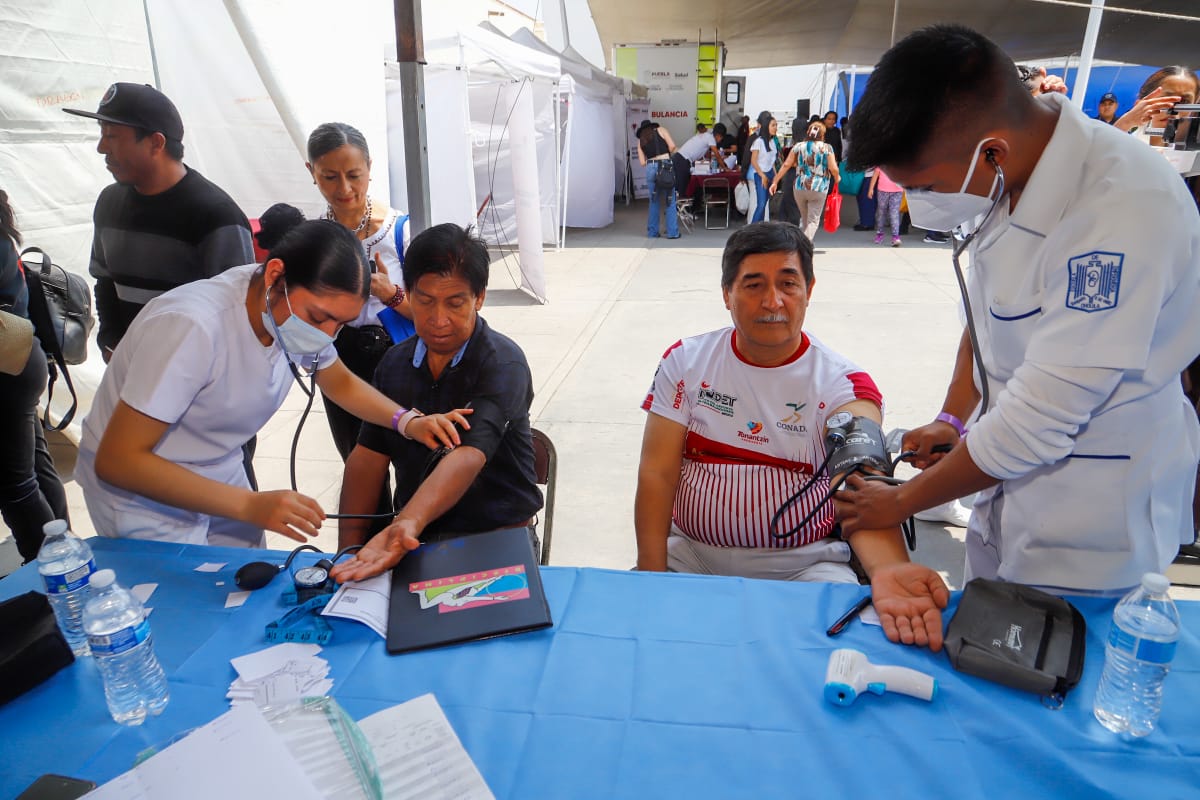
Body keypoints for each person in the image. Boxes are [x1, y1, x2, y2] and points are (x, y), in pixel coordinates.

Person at [838, 25, 1200, 596]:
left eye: (927, 184)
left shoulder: (1122, 210)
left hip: (1092, 507)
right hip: (1006, 469)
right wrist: (955, 419)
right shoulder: (1011, 177)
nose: (920, 203)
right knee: (992, 637)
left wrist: (899, 502)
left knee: (1059, 661)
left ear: (993, 151)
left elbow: (1042, 416)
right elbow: (989, 319)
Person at [634, 221, 948, 648]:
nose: (772, 301)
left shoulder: (844, 384)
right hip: (691, 557)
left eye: (788, 283)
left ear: (809, 290)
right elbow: (657, 474)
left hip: (805, 567)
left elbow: (861, 477)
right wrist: (651, 578)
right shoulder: (685, 362)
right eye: (753, 284)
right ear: (726, 294)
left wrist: (888, 568)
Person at [74, 214, 468, 548]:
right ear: (276, 274)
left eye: (340, 324)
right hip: (144, 492)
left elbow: (339, 381)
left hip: (217, 469)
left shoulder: (283, 307)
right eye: (319, 319)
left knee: (240, 592)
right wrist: (250, 506)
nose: (328, 335)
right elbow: (119, 460)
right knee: (180, 614)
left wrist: (407, 421)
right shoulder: (191, 327)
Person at [331, 223, 542, 582]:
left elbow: (467, 455)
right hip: (416, 543)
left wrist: (406, 523)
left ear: (479, 298)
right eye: (425, 301)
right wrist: (346, 552)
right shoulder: (394, 363)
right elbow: (367, 459)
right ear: (407, 293)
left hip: (498, 540)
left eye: (455, 303)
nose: (438, 319)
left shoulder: (502, 363)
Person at [63, 83, 253, 362]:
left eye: (112, 136)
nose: (101, 148)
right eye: (102, 134)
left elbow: (239, 314)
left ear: (156, 143)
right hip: (127, 369)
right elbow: (104, 280)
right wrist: (111, 341)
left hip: (194, 381)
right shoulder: (108, 203)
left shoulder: (217, 216)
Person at [305, 123, 415, 468]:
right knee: (358, 464)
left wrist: (391, 294)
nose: (345, 188)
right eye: (329, 177)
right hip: (338, 362)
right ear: (312, 173)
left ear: (370, 166)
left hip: (398, 358)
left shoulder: (401, 231)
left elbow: (435, 313)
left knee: (412, 459)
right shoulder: (314, 239)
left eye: (354, 174)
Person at [0, 190, 70, 562]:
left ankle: (50, 564)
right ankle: (66, 550)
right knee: (35, 468)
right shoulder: (3, 231)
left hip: (9, 368)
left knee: (14, 483)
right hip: (22, 359)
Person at [770, 120, 840, 242]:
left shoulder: (798, 146)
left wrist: (775, 181)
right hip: (819, 187)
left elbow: (786, 164)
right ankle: (803, 244)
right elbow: (833, 168)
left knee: (806, 217)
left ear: (808, 132)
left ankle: (806, 243)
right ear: (822, 134)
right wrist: (837, 177)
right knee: (813, 220)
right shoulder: (827, 148)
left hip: (799, 187)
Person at [1114, 66, 1199, 144]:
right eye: (1166, 100)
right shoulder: (1122, 144)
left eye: (1184, 102)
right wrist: (1125, 123)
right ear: (1141, 103)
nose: (1173, 110)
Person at [636, 120, 679, 239]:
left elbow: (642, 162)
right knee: (670, 200)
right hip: (665, 165)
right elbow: (672, 146)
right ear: (652, 126)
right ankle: (672, 232)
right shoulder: (661, 130)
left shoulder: (641, 140)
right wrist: (666, 153)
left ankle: (652, 232)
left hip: (650, 167)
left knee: (654, 201)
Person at [747, 112, 779, 223]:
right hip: (761, 174)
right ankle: (752, 230)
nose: (775, 128)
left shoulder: (772, 142)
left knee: (764, 203)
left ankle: (758, 228)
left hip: (770, 173)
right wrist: (762, 175)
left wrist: (775, 177)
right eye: (773, 125)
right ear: (766, 127)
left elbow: (772, 162)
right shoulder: (758, 142)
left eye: (776, 125)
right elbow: (753, 161)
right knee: (761, 204)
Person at [868, 167, 903, 246]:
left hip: (897, 191)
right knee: (881, 213)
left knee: (894, 214)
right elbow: (876, 174)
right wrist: (871, 189)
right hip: (882, 191)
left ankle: (895, 237)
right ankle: (880, 234)